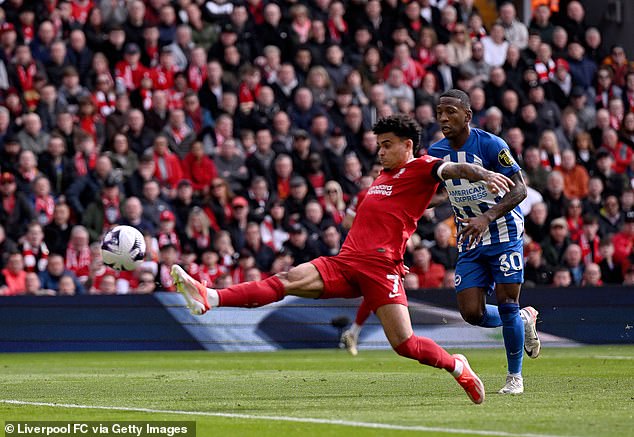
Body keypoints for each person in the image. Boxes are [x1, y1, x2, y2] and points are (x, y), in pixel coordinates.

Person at [170, 114, 521, 405]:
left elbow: (453, 171)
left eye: (387, 145)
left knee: (406, 345)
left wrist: (485, 173)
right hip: (346, 261)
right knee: (287, 279)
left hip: (382, 268)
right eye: (378, 145)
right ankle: (211, 296)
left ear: (407, 145)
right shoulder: (382, 178)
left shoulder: (422, 167)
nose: (380, 151)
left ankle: (456, 365)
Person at [427, 89, 540, 394]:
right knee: (471, 313)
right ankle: (523, 319)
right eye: (439, 112)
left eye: (450, 111)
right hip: (470, 237)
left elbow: (520, 190)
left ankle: (514, 377)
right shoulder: (436, 152)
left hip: (503, 232)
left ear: (467, 116)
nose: (443, 118)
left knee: (507, 303)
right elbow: (440, 191)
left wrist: (487, 217)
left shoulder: (491, 145)